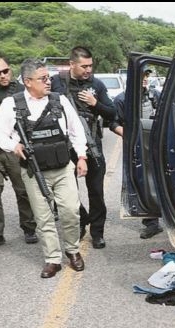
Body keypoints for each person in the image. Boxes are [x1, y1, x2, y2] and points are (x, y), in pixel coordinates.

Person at [0, 58, 88, 279]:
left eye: (49, 77)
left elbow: (76, 131)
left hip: (63, 168)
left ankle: (72, 250)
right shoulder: (12, 104)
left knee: (70, 211)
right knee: (43, 217)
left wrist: (82, 156)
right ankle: (53, 259)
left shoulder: (59, 100)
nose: (48, 82)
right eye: (43, 79)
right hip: (34, 171)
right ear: (27, 81)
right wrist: (13, 146)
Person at [50, 46, 116, 249]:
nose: (88, 70)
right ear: (72, 64)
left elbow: (111, 114)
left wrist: (95, 103)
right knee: (66, 193)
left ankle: (97, 232)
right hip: (64, 146)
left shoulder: (96, 84)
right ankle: (79, 221)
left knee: (96, 191)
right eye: (84, 66)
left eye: (90, 66)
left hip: (91, 145)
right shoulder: (56, 82)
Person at [0, 55, 37, 248]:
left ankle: (29, 227)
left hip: (15, 148)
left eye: (6, 71)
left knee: (24, 191)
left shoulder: (20, 90)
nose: (3, 75)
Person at [109, 89, 163, 239]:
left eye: (147, 75)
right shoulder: (121, 99)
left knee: (164, 180)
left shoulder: (155, 95)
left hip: (157, 144)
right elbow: (113, 123)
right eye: (142, 75)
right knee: (143, 183)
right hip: (135, 146)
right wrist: (130, 136)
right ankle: (152, 223)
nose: (144, 79)